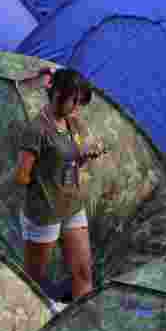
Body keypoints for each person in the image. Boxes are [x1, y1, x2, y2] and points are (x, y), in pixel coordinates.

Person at [14, 69, 106, 301]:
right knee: (35, 280)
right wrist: (47, 174)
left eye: (79, 101)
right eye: (73, 100)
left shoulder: (71, 124)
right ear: (56, 95)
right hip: (45, 212)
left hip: (72, 207)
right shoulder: (37, 130)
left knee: (83, 271)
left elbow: (70, 161)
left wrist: (83, 157)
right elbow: (22, 176)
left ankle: (82, 321)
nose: (77, 106)